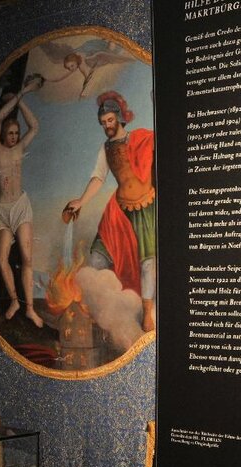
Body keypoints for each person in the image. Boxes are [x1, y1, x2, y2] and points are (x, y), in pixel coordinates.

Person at [61, 90, 156, 331]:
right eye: (103, 122)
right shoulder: (105, 149)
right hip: (119, 211)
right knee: (97, 258)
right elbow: (98, 177)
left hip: (145, 207)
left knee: (148, 262)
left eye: (110, 120)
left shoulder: (141, 138)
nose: (107, 126)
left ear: (120, 117)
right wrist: (81, 201)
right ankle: (107, 312)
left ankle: (147, 314)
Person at [0, 75, 45, 328]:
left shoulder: (18, 148)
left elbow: (34, 126)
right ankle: (15, 301)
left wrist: (22, 98)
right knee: (1, 258)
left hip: (21, 207)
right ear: (3, 134)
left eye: (16, 133)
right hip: (2, 210)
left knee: (27, 258)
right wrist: (20, 93)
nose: (14, 136)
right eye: (11, 133)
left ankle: (30, 309)